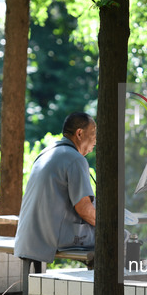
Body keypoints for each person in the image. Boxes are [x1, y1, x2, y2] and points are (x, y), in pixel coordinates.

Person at [14, 112, 97, 264]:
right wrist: (113, 223)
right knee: (121, 236)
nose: (96, 141)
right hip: (53, 238)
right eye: (93, 134)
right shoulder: (75, 159)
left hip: (29, 238)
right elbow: (85, 210)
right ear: (79, 133)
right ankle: (126, 284)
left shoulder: (45, 153)